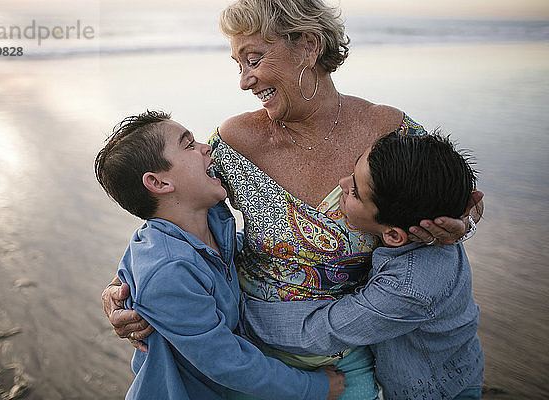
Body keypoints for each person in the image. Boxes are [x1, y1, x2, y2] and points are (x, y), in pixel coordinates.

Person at [101, 0, 483, 398]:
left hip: (348, 354)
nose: (245, 82)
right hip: (247, 354)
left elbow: (460, 195)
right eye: (238, 64)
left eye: (254, 59)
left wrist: (459, 222)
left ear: (308, 45)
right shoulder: (233, 143)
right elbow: (169, 214)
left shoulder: (390, 132)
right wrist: (121, 288)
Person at [94, 110, 344, 400]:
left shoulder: (212, 224)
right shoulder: (168, 270)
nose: (206, 147)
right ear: (159, 183)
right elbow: (229, 363)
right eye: (188, 145)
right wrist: (315, 387)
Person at [238, 131, 484, 400]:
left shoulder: (407, 290)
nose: (341, 182)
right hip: (455, 362)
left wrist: (239, 306)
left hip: (436, 389)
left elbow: (320, 332)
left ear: (392, 236)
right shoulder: (430, 211)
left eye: (354, 191)